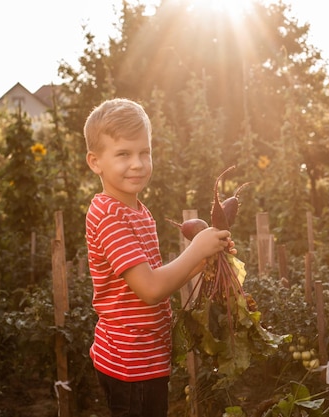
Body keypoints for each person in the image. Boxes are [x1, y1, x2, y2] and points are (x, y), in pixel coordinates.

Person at [83, 97, 233, 417]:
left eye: (144, 152)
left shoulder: (136, 210)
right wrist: (195, 250)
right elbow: (150, 289)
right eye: (123, 154)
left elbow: (151, 278)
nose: (137, 163)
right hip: (130, 364)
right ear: (95, 162)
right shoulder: (109, 215)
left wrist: (200, 264)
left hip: (145, 357)